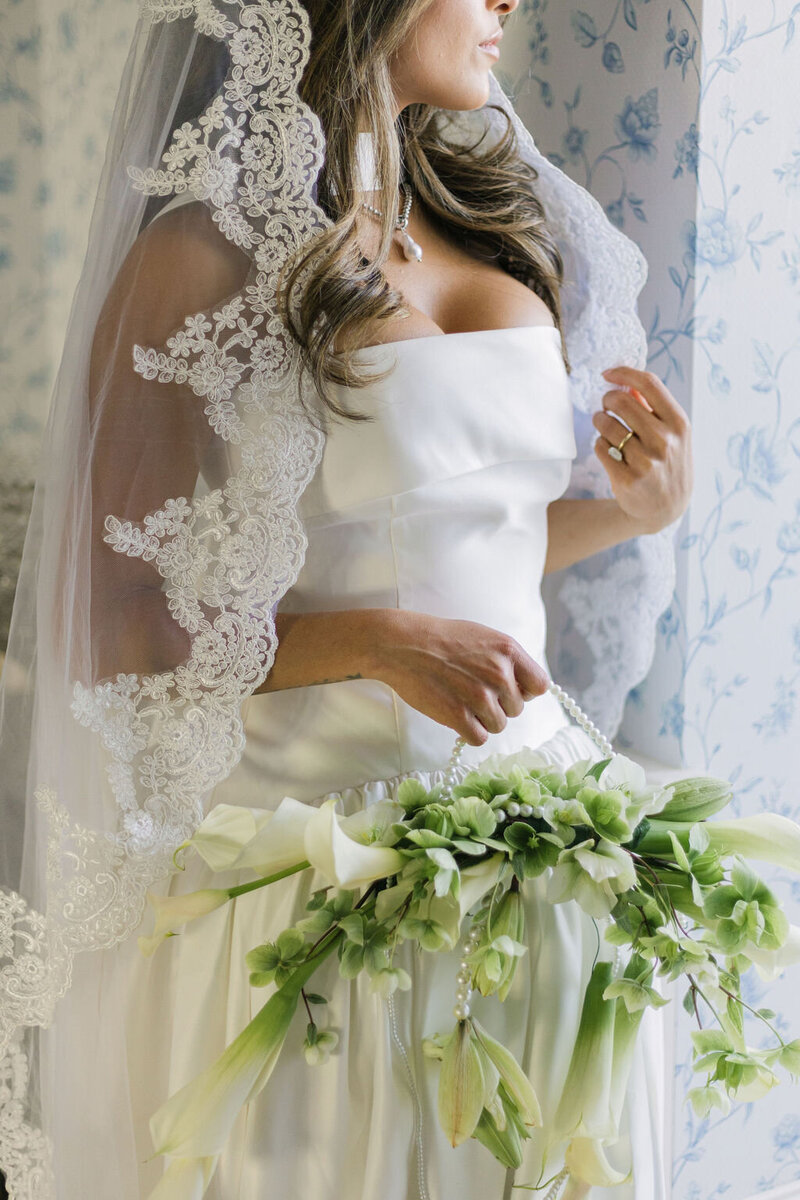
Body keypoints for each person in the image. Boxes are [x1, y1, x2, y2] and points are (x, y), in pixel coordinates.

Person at [0, 2, 691, 1197]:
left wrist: (629, 514)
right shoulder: (197, 259)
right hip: (313, 885)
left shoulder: (489, 221)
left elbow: (460, 566)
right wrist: (374, 645)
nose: (504, 6)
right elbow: (119, 631)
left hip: (533, 856)